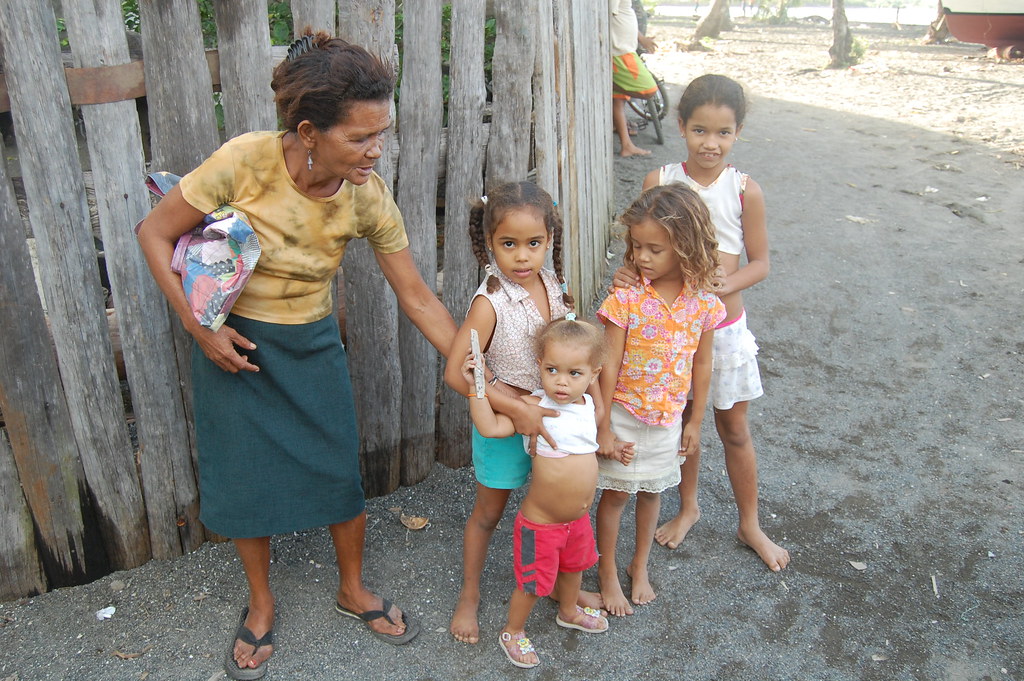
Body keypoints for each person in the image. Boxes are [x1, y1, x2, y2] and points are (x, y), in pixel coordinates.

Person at [136, 32, 457, 680]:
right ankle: (260, 602)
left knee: (339, 472)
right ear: (309, 131)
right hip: (236, 343)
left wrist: (475, 369)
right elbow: (153, 231)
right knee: (242, 479)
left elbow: (418, 296)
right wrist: (203, 329)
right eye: (361, 137)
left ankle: (353, 587)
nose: (376, 150)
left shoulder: (366, 196)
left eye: (382, 134)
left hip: (311, 343)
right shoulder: (243, 162)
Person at [614, 74, 791, 572]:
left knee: (733, 427)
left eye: (723, 133)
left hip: (724, 331)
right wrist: (628, 273)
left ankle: (749, 522)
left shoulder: (743, 190)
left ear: (737, 133)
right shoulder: (661, 180)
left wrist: (724, 286)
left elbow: (760, 262)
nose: (710, 143)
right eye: (699, 130)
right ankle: (687, 506)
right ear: (680, 126)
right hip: (670, 337)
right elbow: (638, 251)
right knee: (680, 423)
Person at [442, 181, 603, 644]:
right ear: (488, 244)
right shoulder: (489, 303)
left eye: (534, 243)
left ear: (549, 240)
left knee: (554, 509)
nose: (522, 256)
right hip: (507, 420)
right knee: (489, 513)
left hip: (554, 420)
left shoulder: (553, 281)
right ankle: (469, 594)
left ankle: (558, 590)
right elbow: (457, 374)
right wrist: (513, 405)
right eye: (508, 244)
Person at [595, 183, 725, 616]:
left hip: (669, 418)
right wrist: (604, 424)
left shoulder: (703, 304)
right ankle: (608, 572)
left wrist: (695, 422)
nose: (642, 258)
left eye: (655, 249)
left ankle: (640, 563)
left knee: (652, 494)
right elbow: (607, 364)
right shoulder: (627, 298)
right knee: (615, 496)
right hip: (624, 414)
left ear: (686, 248)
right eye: (636, 247)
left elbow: (702, 365)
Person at [460, 317, 610, 668]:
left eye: (575, 373)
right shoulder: (535, 406)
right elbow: (491, 426)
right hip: (540, 525)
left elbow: (594, 431)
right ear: (539, 367)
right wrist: (475, 388)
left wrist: (615, 449)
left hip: (577, 521)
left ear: (593, 374)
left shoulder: (588, 407)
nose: (561, 381)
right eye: (552, 369)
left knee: (574, 569)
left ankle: (569, 610)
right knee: (532, 583)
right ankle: (513, 630)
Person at [611, 0, 659, 157]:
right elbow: (607, 17)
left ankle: (626, 146)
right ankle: (606, 84)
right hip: (620, 51)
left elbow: (622, 15)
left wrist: (642, 39)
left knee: (618, 102)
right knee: (649, 90)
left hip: (624, 49)